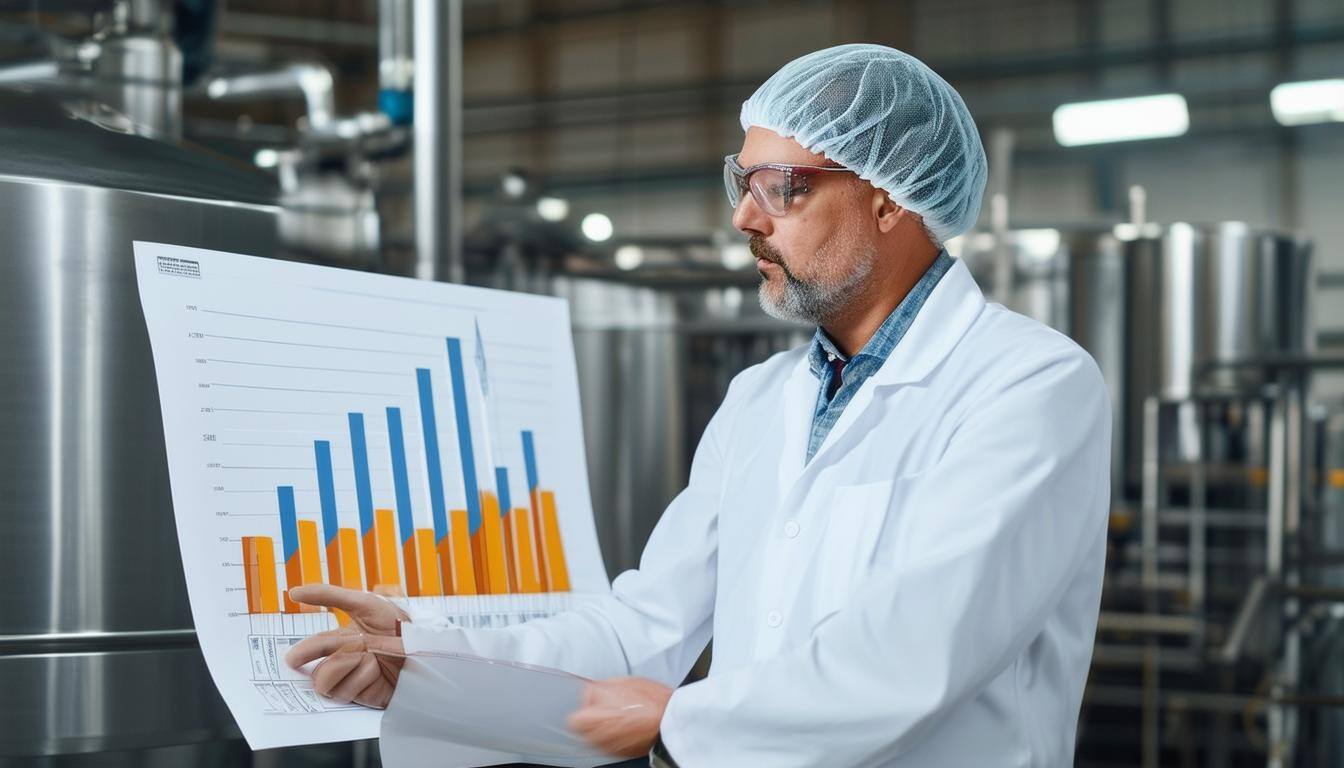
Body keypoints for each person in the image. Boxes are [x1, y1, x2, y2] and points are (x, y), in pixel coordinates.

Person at [287, 43, 1111, 767]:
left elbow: (911, 659)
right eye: (741, 182)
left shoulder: (1028, 386)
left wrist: (677, 720)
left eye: (781, 187)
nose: (744, 217)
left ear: (889, 200)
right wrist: (425, 661)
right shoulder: (762, 399)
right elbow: (639, 630)